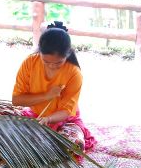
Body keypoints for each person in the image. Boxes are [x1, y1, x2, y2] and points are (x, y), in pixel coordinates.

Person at [11, 21, 95, 150]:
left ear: (67, 55)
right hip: (36, 117)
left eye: (58, 63)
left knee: (72, 145)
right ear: (39, 52)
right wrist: (47, 95)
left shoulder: (74, 73)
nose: (51, 66)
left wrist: (48, 119)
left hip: (64, 121)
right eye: (46, 61)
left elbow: (67, 112)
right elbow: (17, 100)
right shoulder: (29, 63)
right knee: (2, 132)